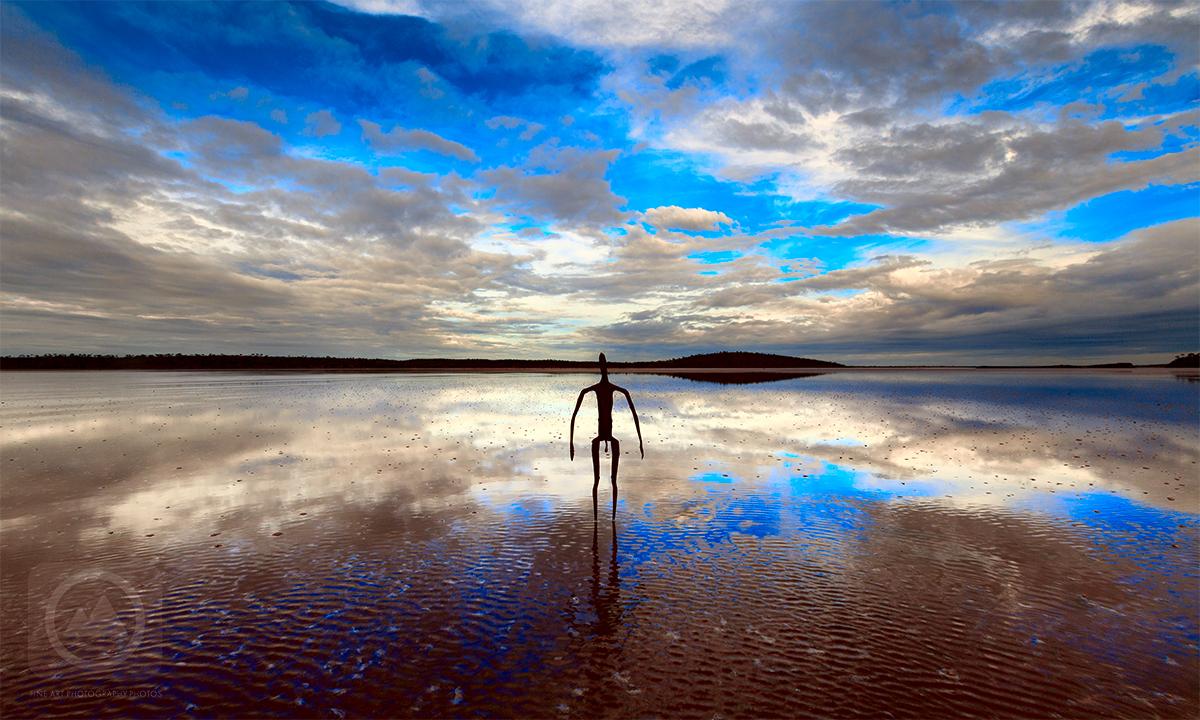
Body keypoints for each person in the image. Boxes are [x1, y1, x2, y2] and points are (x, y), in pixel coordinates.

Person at [569, 353, 643, 514]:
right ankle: (597, 517)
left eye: (604, 365)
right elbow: (574, 415)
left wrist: (640, 441)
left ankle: (613, 516)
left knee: (613, 480)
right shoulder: (594, 389)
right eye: (601, 365)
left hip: (610, 436)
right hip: (601, 436)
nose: (603, 368)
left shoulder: (615, 389)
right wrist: (571, 444)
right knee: (596, 480)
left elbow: (634, 414)